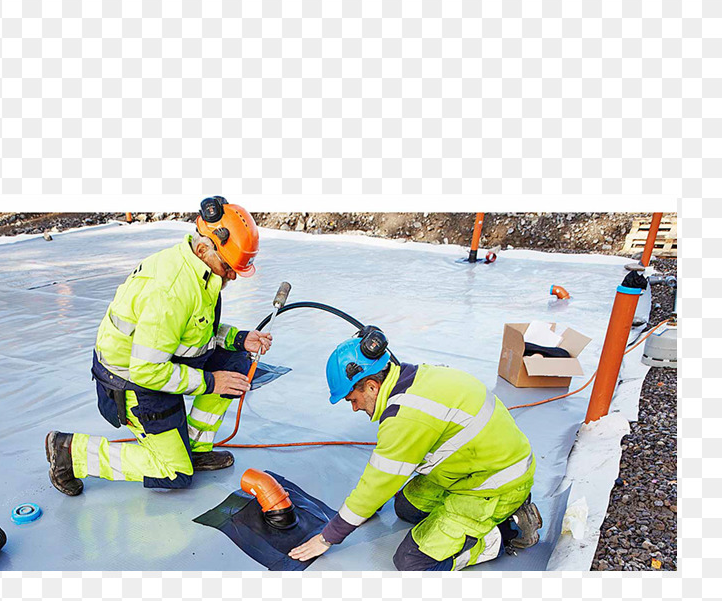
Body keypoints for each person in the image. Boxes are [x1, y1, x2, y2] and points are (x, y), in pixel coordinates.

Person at [45, 197, 272, 495]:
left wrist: (239, 339)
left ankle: (195, 448)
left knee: (237, 362)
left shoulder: (200, 271)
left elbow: (195, 329)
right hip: (133, 382)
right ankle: (70, 453)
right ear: (204, 247)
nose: (232, 276)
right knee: (174, 473)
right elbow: (146, 371)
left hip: (161, 363)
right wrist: (210, 381)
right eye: (229, 268)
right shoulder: (171, 291)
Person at [289, 331, 542, 570]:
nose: (354, 408)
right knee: (406, 507)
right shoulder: (413, 378)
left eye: (352, 400)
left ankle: (510, 529)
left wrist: (326, 539)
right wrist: (366, 508)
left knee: (412, 562)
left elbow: (378, 483)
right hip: (471, 468)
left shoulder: (406, 417)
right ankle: (474, 518)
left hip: (493, 484)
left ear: (371, 386)